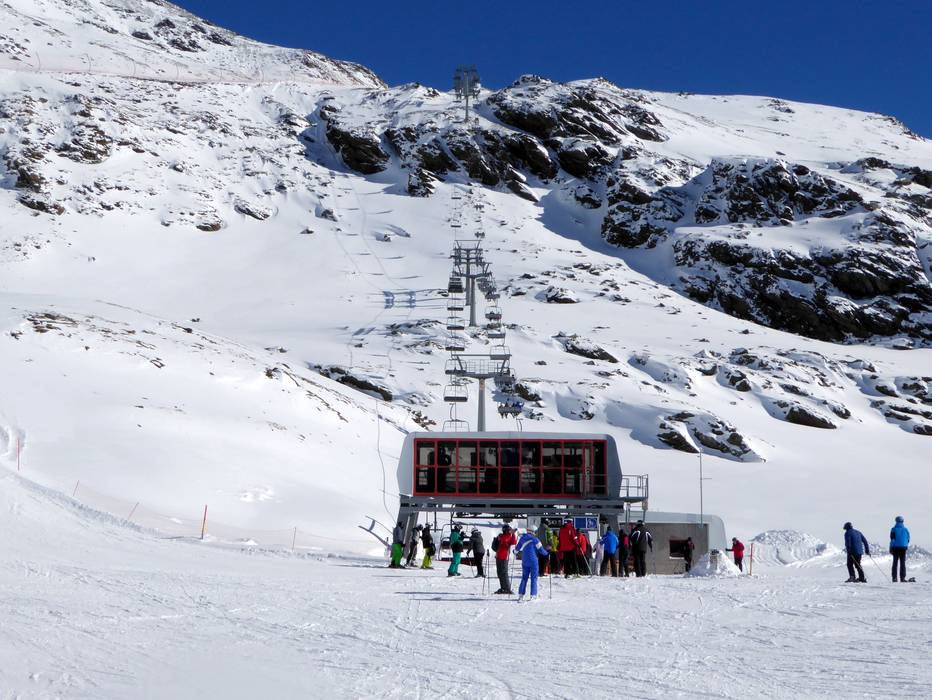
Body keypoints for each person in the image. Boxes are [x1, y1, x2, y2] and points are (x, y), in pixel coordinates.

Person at [515, 526, 550, 601]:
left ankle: (521, 595)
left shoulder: (522, 538)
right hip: (533, 561)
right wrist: (547, 554)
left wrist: (514, 552)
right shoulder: (535, 540)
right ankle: (533, 595)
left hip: (525, 561)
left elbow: (516, 550)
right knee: (533, 578)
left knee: (524, 578)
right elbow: (541, 550)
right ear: (533, 531)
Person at [493, 524, 517, 594]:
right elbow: (500, 539)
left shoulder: (509, 536)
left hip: (504, 557)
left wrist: (513, 534)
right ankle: (503, 588)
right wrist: (512, 533)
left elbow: (514, 542)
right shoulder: (501, 536)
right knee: (499, 573)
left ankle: (507, 588)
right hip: (498, 556)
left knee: (504, 573)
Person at [890, 515, 911, 583]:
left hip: (895, 547)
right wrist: (905, 544)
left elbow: (892, 539)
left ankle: (894, 578)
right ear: (902, 521)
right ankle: (902, 578)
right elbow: (908, 539)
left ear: (896, 521)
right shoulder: (906, 529)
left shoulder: (893, 529)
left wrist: (891, 548)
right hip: (903, 548)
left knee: (895, 563)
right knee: (902, 563)